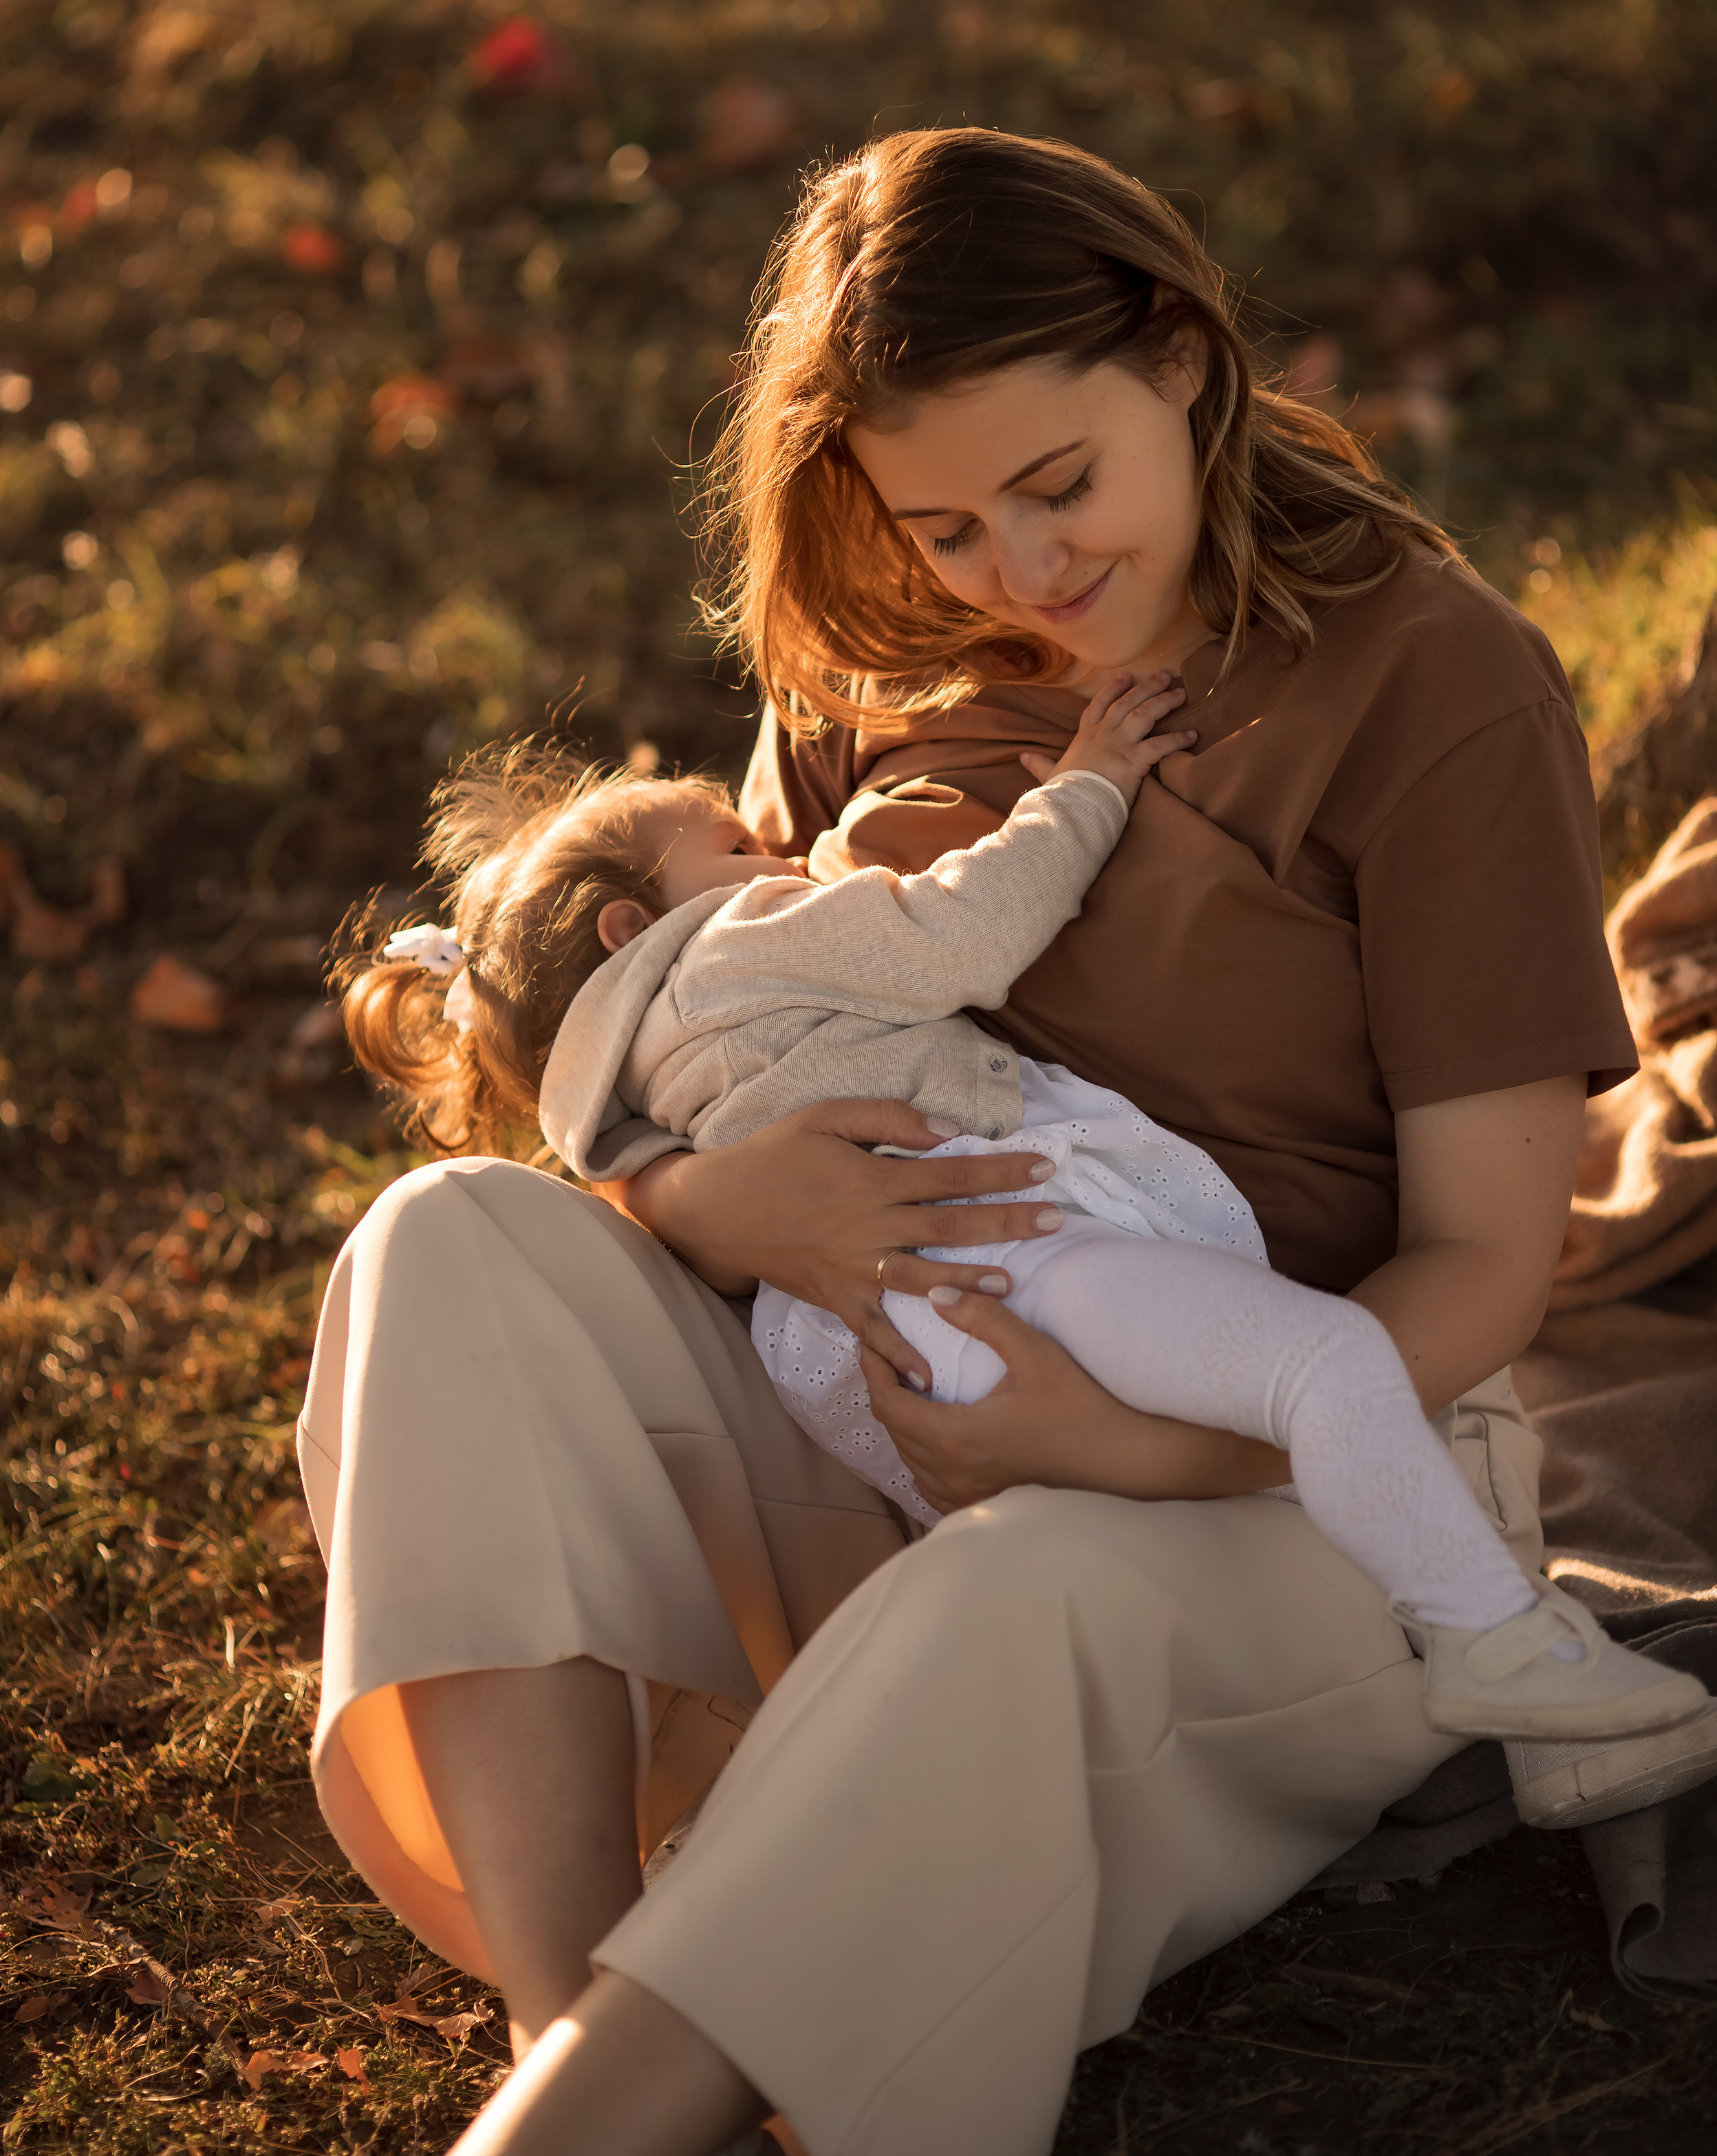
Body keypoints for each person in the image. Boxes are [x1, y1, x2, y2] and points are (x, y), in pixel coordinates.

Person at [298, 129, 1665, 2156]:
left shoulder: (1434, 691)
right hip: (868, 1415)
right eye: (945, 527)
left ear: (1183, 362)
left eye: (1059, 488)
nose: (1019, 577)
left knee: (1004, 1597)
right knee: (446, 1242)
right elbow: (714, 1036)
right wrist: (702, 1199)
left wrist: (1109, 1446)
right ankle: (570, 2015)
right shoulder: (887, 647)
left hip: (1272, 1496)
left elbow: (1485, 1268)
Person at [344, 694, 1700, 1751]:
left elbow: (642, 1198)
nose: (782, 854)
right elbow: (957, 935)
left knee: (1013, 1561)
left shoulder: (613, 1095)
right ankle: (1496, 1640)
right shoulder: (738, 941)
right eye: (743, 847)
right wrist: (1092, 777)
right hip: (1006, 1254)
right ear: (632, 924)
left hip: (863, 1362)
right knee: (1327, 1366)